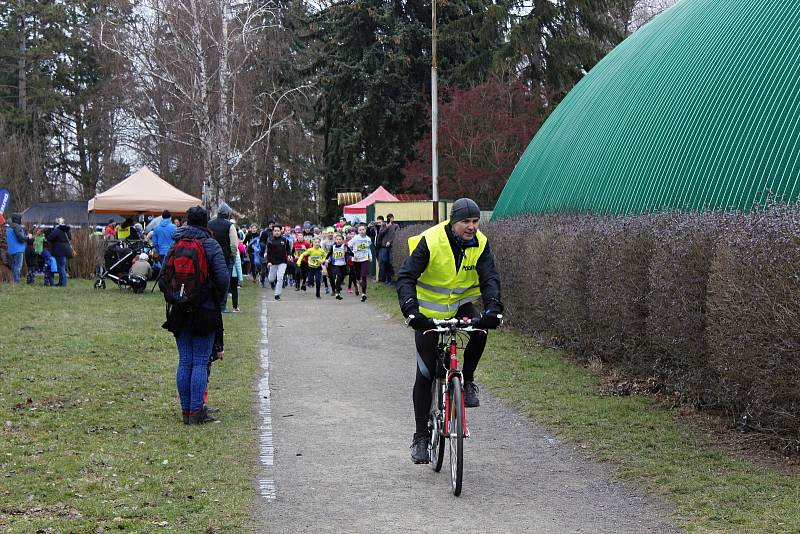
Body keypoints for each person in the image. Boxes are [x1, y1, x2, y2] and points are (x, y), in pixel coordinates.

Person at [396, 198, 503, 464]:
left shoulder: (480, 243)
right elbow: (406, 276)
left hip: (459, 307)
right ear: (453, 222)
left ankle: (467, 380)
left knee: (480, 329)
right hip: (428, 314)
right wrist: (412, 312)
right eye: (466, 222)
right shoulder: (431, 241)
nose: (471, 227)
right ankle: (421, 436)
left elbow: (489, 277)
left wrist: (493, 309)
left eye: (475, 222)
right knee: (425, 372)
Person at [160, 206, 229, 425]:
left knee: (185, 360)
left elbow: (163, 277)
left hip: (180, 310)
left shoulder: (176, 244)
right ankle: (196, 411)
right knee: (200, 361)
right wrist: (215, 299)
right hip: (205, 309)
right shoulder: (210, 244)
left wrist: (175, 297)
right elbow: (223, 277)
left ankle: (185, 411)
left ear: (187, 221)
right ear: (206, 222)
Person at [208, 205, 238, 312]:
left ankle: (211, 304)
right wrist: (233, 256)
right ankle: (222, 306)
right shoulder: (230, 226)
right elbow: (234, 244)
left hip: (210, 256)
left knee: (212, 280)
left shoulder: (209, 224)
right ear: (228, 214)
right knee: (225, 282)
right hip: (225, 257)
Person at [264, 224, 292, 300]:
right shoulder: (270, 241)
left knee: (280, 278)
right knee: (271, 279)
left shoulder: (284, 240)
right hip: (273, 262)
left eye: (278, 231)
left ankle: (277, 295)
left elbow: (288, 250)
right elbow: (268, 253)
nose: (277, 232)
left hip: (283, 261)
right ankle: (271, 282)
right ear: (273, 232)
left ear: (281, 231)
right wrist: (269, 262)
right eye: (275, 231)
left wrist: (289, 255)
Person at [349, 223, 373, 302]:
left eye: (363, 229)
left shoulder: (368, 239)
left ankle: (363, 294)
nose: (362, 231)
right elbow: (349, 246)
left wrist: (370, 256)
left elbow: (368, 249)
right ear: (358, 231)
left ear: (365, 230)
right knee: (358, 275)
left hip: (365, 258)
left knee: (364, 275)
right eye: (360, 230)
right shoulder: (355, 238)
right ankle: (358, 282)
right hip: (356, 259)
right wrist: (352, 254)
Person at [47, 217, 73, 287]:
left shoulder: (57, 230)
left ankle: (63, 284)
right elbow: (70, 238)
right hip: (66, 250)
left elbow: (49, 238)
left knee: (61, 267)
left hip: (59, 250)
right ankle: (61, 283)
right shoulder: (67, 230)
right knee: (62, 266)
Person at [324, 233, 351, 300]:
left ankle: (338, 284)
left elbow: (349, 254)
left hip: (343, 263)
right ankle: (334, 290)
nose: (338, 241)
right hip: (333, 263)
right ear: (335, 240)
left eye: (340, 239)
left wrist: (347, 254)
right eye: (337, 239)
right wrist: (327, 260)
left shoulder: (345, 246)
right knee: (332, 277)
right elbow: (330, 254)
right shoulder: (333, 246)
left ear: (342, 240)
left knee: (345, 273)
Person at [377, 213, 399, 284]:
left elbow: (396, 234)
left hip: (392, 246)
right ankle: (384, 279)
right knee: (384, 262)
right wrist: (387, 227)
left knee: (390, 262)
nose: (391, 219)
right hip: (384, 247)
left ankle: (391, 279)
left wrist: (390, 241)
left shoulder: (396, 226)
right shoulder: (384, 225)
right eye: (390, 217)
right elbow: (380, 234)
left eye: (392, 217)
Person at [5, 213, 26, 284]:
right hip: (18, 249)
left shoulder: (8, 227)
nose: (21, 220)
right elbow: (19, 237)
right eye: (21, 218)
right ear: (18, 219)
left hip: (10, 250)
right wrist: (26, 239)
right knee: (18, 266)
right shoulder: (17, 226)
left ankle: (13, 280)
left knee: (13, 266)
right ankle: (16, 281)